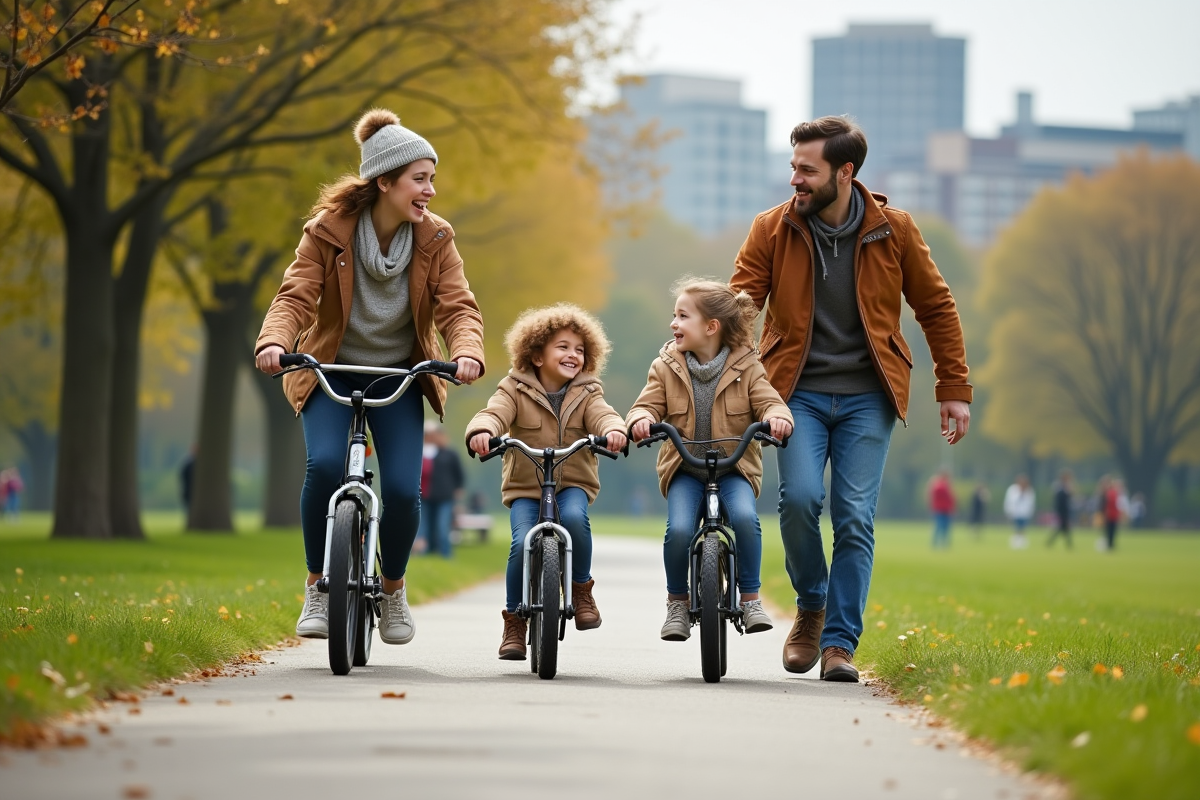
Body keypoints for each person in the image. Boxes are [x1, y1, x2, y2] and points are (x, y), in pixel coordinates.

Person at [730, 116, 972, 682]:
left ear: (845, 172)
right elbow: (739, 307)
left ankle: (839, 643)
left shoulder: (896, 229)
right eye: (793, 167)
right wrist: (712, 367)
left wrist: (953, 388)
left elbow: (937, 308)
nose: (795, 179)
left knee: (855, 519)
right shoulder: (772, 229)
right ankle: (811, 606)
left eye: (807, 170)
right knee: (799, 502)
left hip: (869, 395)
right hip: (796, 395)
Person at [254, 108, 485, 644]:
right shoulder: (328, 233)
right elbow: (296, 296)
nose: (430, 190)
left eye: (432, 179)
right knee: (326, 466)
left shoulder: (436, 239)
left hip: (399, 377)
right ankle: (317, 584)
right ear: (385, 181)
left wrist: (466, 351)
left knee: (404, 491)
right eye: (420, 179)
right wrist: (273, 341)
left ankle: (393, 588)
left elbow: (458, 307)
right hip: (330, 371)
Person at [627, 279, 794, 643]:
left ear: (711, 327)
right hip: (685, 469)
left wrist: (778, 417)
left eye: (683, 316)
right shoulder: (666, 366)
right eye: (674, 315)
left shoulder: (748, 366)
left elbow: (770, 400)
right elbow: (647, 403)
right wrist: (639, 419)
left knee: (747, 519)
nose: (674, 323)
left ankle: (750, 597)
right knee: (680, 530)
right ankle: (676, 602)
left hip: (733, 468)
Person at [467, 304, 627, 661]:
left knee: (574, 519)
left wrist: (614, 430)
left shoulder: (588, 391)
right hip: (526, 487)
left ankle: (581, 588)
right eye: (563, 347)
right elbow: (495, 412)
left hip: (572, 483)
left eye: (580, 350)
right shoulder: (513, 387)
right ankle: (514, 622)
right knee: (522, 541)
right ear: (537, 355)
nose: (573, 355)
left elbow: (603, 415)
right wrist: (483, 431)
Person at [418, 422, 464, 558]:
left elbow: (458, 474)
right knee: (424, 527)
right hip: (424, 495)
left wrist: (458, 490)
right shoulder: (422, 452)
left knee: (442, 526)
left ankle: (445, 553)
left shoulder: (449, 454)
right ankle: (425, 552)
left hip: (444, 495)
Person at [1003, 474, 1035, 549]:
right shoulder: (1012, 489)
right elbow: (1009, 501)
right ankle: (1015, 543)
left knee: (1023, 528)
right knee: (1016, 528)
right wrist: (1008, 511)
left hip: (1025, 513)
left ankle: (1022, 543)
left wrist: (1030, 512)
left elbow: (1031, 503)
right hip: (1015, 512)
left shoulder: (1029, 490)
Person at [1047, 470, 1075, 549]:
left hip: (1065, 510)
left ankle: (1051, 542)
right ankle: (1069, 544)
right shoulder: (1059, 486)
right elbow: (1058, 500)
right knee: (1064, 527)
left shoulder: (1067, 487)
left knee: (1062, 528)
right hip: (1061, 511)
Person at [928, 470, 956, 549]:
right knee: (939, 526)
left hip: (946, 509)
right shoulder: (938, 484)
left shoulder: (947, 485)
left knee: (946, 528)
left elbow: (951, 498)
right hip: (939, 508)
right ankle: (935, 543)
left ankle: (945, 544)